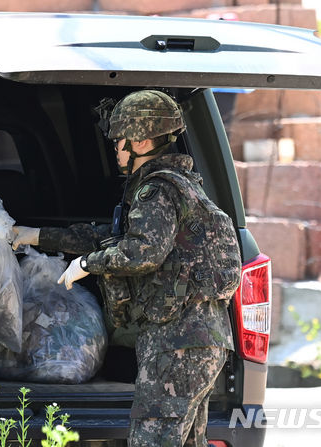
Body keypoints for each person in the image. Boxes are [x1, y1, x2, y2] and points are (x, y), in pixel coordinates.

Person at [12, 90, 242, 447]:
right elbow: (112, 237)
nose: (115, 149)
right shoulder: (178, 186)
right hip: (200, 340)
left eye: (120, 141)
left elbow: (141, 252)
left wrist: (87, 265)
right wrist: (38, 235)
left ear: (143, 140)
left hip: (177, 343)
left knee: (152, 440)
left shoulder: (157, 191)